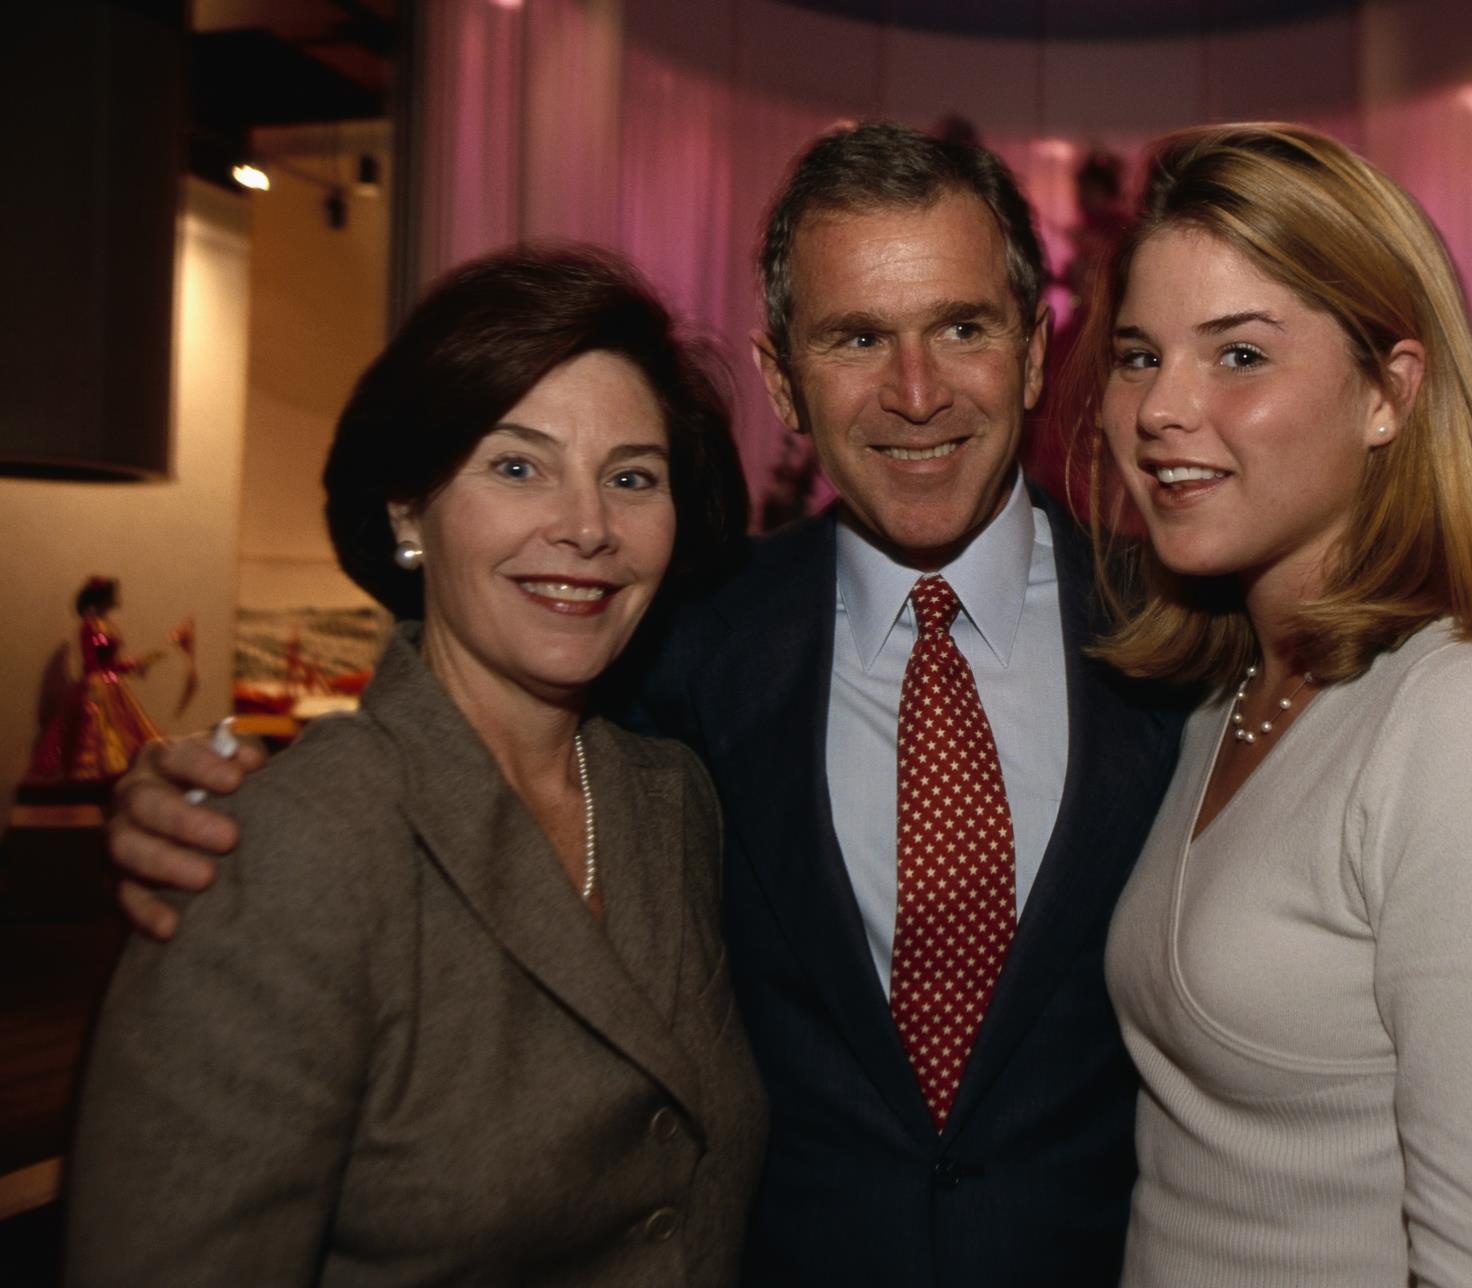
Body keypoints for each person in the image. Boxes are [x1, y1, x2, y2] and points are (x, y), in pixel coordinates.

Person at [105, 122, 1187, 1287]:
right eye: (856, 337)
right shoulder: (687, 648)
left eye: (962, 328)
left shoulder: (1191, 637)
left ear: (1034, 352)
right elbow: (470, 699)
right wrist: (214, 806)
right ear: (783, 379)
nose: (914, 391)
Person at [66, 244, 766, 1285]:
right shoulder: (288, 846)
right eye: (516, 464)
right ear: (407, 511)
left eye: (631, 477)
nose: (585, 526)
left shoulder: (672, 805)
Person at [1079, 123, 1472, 1285]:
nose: (1159, 410)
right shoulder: (1225, 701)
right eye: (1138, 354)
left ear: (1390, 391)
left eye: (1238, 355)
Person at [25, 576, 168, 784]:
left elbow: (112, 661)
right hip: (97, 687)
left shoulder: (109, 625)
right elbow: (91, 662)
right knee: (96, 732)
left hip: (112, 683)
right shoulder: (89, 626)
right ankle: (91, 776)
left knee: (125, 731)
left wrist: (132, 664)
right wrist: (115, 671)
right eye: (112, 596)